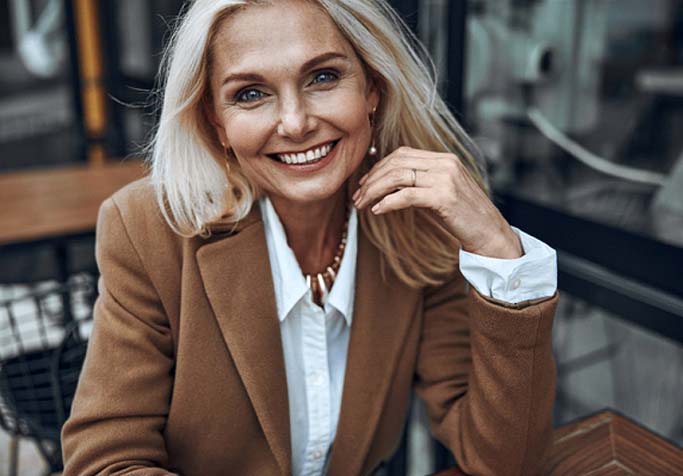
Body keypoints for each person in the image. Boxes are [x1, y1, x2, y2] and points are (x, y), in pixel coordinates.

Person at [61, 0, 559, 475]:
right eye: (250, 94)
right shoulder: (148, 228)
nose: (296, 123)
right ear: (217, 122)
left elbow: (506, 462)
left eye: (323, 77)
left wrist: (501, 255)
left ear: (373, 89)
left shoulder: (418, 224)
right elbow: (105, 463)